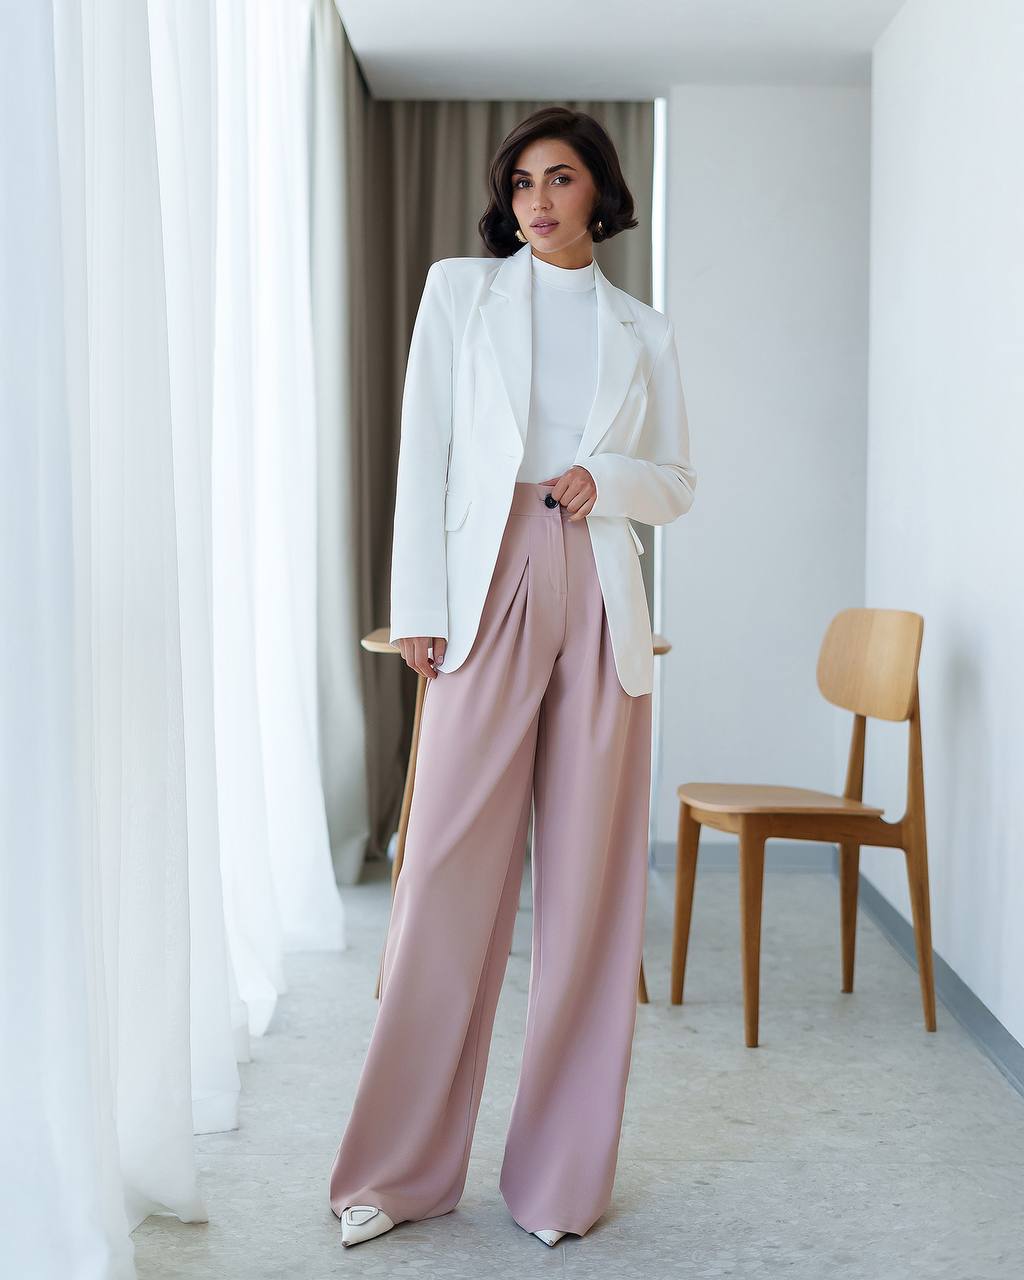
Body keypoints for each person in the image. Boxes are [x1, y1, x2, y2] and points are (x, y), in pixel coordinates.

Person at [328, 105, 696, 1249]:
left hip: (595, 582)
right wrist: (418, 609)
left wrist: (609, 473)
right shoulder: (460, 292)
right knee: (442, 871)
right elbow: (423, 445)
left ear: (599, 194)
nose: (539, 197)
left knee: (590, 891)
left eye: (563, 177)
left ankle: (558, 1181)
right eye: (524, 179)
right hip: (481, 582)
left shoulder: (645, 328)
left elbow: (677, 480)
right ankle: (396, 1168)